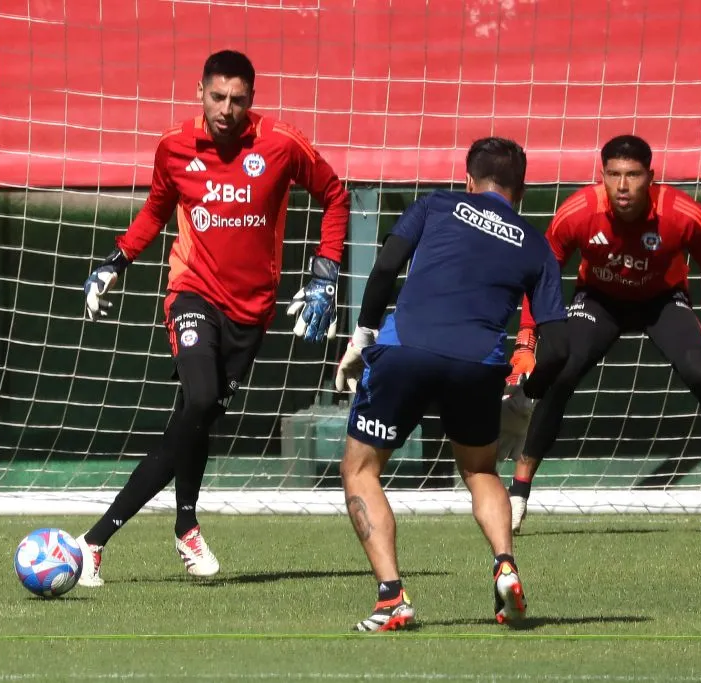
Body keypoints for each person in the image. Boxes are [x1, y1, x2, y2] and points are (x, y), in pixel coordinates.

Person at [75, 50, 350, 587]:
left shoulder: (282, 144)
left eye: (238, 99)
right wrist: (115, 263)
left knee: (194, 420)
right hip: (192, 292)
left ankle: (184, 523)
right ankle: (93, 542)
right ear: (199, 91)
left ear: (252, 100)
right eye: (217, 96)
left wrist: (325, 274)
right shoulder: (174, 147)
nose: (227, 109)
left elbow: (335, 196)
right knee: (199, 401)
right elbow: (157, 209)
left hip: (252, 312)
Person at [334, 137, 570, 632]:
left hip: (406, 351)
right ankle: (505, 564)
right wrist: (524, 399)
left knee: (360, 469)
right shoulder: (535, 243)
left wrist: (362, 336)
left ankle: (392, 598)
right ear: (520, 190)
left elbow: (384, 267)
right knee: (481, 471)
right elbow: (562, 347)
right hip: (478, 366)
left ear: (468, 180)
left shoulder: (438, 204)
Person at [502, 134, 701, 536]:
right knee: (563, 373)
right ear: (602, 175)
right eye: (614, 175)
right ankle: (518, 492)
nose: (623, 186)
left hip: (662, 301)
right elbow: (542, 272)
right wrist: (526, 340)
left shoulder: (683, 214)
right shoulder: (578, 212)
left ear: (651, 177)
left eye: (633, 175)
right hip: (598, 301)